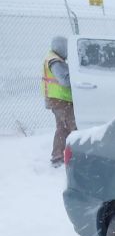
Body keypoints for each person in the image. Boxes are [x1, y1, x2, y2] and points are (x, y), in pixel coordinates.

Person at [41, 35, 76, 167]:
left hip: (57, 99)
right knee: (71, 128)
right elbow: (65, 80)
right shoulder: (55, 61)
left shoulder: (52, 58)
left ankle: (58, 156)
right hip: (60, 100)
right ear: (61, 47)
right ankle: (65, 156)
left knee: (62, 128)